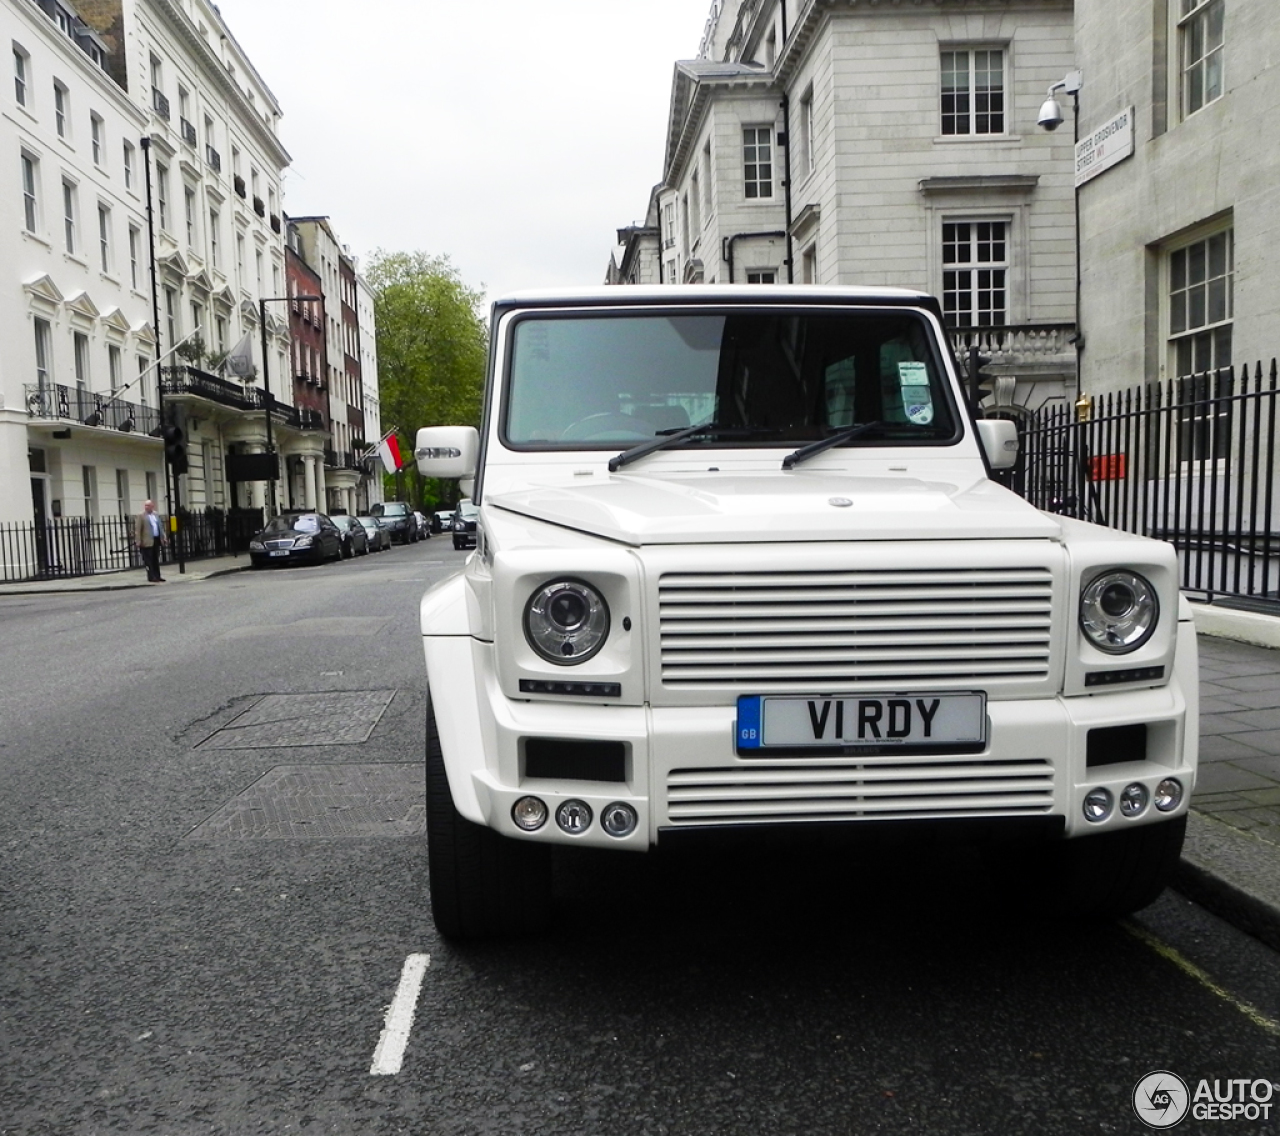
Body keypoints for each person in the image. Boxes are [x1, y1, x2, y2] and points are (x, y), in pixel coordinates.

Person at [135, 499, 167, 583]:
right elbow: (138, 530)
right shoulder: (141, 516)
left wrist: (163, 537)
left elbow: (160, 527)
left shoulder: (156, 514)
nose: (146, 507)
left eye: (148, 505)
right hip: (146, 541)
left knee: (155, 559)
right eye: (145, 505)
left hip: (156, 539)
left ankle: (157, 576)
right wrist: (138, 541)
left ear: (152, 506)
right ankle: (151, 576)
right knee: (148, 560)